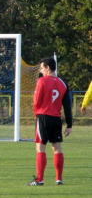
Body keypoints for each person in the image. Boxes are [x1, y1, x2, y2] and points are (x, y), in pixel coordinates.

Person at [27, 57, 72, 186]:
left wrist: (37, 114)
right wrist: (69, 125)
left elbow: (36, 101)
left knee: (40, 148)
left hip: (43, 117)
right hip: (57, 119)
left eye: (41, 68)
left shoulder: (41, 81)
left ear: (48, 68)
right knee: (57, 147)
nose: (40, 71)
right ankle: (59, 179)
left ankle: (39, 179)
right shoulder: (63, 83)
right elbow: (67, 106)